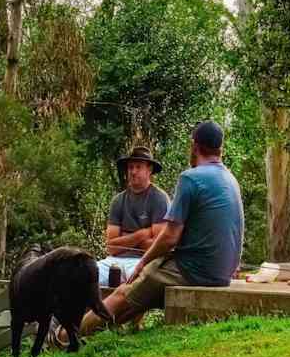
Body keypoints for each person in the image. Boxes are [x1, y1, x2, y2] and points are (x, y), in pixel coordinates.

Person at [61, 120, 244, 344]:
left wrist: (142, 263)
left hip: (194, 270)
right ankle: (89, 331)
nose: (133, 171)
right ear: (220, 149)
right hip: (222, 272)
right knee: (132, 287)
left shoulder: (191, 178)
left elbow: (168, 237)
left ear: (194, 147)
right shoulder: (230, 178)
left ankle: (62, 337)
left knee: (124, 291)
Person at [96, 146, 170, 287]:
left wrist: (124, 238)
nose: (133, 172)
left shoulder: (159, 199)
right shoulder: (118, 201)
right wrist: (142, 234)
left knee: (137, 283)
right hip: (114, 260)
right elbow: (111, 246)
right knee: (86, 275)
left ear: (149, 170)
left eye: (138, 167)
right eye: (130, 167)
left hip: (142, 261)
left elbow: (157, 246)